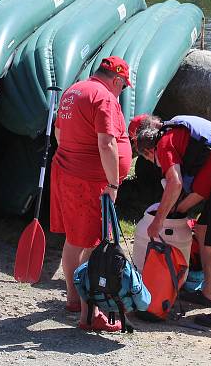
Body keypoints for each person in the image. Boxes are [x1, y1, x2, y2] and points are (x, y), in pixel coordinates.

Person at [135, 115, 211, 329]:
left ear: (148, 151)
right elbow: (200, 188)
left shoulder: (164, 144)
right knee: (201, 230)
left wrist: (158, 222)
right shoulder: (174, 135)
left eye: (147, 159)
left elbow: (175, 183)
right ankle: (209, 293)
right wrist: (176, 210)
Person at [50, 56, 133, 332]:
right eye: (123, 86)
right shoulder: (105, 97)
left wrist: (75, 157)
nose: (122, 92)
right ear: (117, 80)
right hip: (90, 181)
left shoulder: (73, 91)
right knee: (94, 244)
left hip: (67, 172)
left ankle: (74, 299)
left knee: (75, 240)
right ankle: (89, 314)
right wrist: (114, 183)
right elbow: (107, 143)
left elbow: (58, 134)